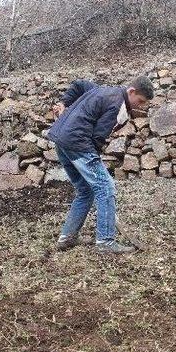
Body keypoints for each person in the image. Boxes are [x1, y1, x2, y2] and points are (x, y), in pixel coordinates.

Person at [48, 76, 154, 254]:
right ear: (131, 91)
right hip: (77, 143)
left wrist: (64, 102)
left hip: (61, 140)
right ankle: (105, 242)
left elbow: (80, 84)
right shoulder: (117, 105)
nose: (140, 106)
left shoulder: (104, 90)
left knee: (85, 190)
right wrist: (93, 160)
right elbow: (98, 137)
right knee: (105, 187)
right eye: (140, 101)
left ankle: (67, 238)